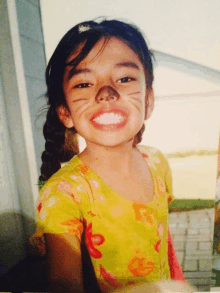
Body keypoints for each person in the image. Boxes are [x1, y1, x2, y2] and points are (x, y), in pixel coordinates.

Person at [30, 19, 176, 292]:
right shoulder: (64, 194)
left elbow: (163, 246)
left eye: (124, 79)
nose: (106, 93)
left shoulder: (157, 162)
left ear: (148, 101)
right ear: (65, 113)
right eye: (84, 84)